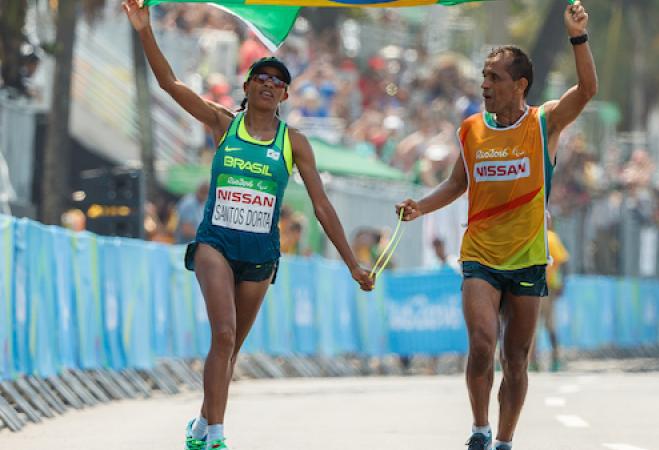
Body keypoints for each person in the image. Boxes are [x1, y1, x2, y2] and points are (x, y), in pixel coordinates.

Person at [123, 2, 374, 450]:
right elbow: (169, 83)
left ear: (285, 96)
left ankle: (202, 421)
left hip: (261, 254)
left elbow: (322, 206)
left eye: (278, 81)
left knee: (231, 348)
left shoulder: (295, 143)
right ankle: (217, 435)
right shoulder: (224, 124)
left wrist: (354, 264)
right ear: (247, 85)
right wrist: (145, 30)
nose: (269, 84)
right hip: (215, 243)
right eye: (262, 77)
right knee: (222, 333)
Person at [395, 3, 597, 449]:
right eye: (483, 77)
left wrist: (577, 37)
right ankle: (480, 429)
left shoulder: (544, 123)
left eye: (494, 78)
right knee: (483, 345)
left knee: (517, 360)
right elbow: (456, 183)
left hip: (527, 258)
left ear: (519, 84)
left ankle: (505, 440)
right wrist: (420, 207)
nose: (484, 85)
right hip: (480, 255)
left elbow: (586, 90)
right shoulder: (470, 129)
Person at [530, 212, 570, 372]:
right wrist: (562, 284)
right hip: (547, 288)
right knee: (549, 325)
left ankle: (533, 361)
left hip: (533, 287)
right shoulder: (552, 238)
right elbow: (564, 263)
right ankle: (554, 359)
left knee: (532, 325)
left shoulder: (531, 237)